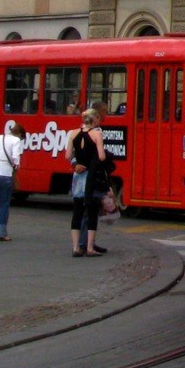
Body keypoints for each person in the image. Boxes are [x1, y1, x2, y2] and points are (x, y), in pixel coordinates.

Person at [68, 108, 108, 258]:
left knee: (77, 213)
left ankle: (75, 247)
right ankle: (90, 247)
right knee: (91, 213)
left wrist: (76, 164)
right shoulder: (97, 134)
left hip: (77, 177)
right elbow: (102, 157)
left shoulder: (73, 133)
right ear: (94, 120)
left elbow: (67, 155)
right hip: (90, 176)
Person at [0, 121, 26, 242]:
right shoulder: (16, 141)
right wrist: (15, 166)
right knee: (4, 204)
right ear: (19, 135)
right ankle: (2, 233)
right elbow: (15, 158)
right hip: (5, 175)